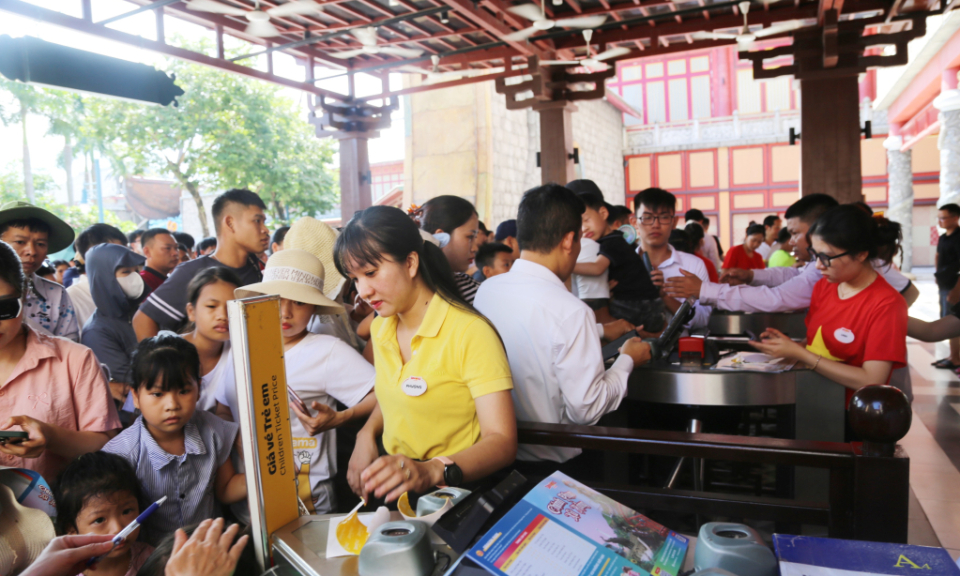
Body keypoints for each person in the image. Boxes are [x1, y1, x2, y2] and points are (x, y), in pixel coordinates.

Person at [334, 206, 517, 503]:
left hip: (454, 493)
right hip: (396, 489)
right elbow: (396, 393)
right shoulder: (382, 328)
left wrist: (431, 471)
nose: (363, 291)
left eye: (370, 272)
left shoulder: (470, 332)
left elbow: (503, 441)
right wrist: (366, 434)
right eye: (354, 278)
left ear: (410, 263)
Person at [475, 184, 650, 469]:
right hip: (556, 465)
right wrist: (628, 360)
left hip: (496, 457)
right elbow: (587, 408)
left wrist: (602, 330)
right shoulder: (571, 311)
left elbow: (533, 335)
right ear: (570, 241)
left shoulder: (488, 291)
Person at [219, 249, 376, 515]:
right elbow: (223, 408)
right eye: (277, 299)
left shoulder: (327, 351)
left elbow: (383, 393)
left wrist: (344, 418)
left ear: (314, 306)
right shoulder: (241, 345)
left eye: (299, 302)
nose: (286, 312)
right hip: (247, 502)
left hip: (306, 501)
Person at [749, 205, 907, 404]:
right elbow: (818, 343)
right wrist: (788, 348)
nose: (818, 265)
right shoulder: (825, 286)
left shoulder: (886, 304)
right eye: (815, 255)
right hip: (812, 398)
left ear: (861, 254)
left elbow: (872, 379)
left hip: (850, 412)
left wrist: (800, 354)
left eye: (826, 257)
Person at [102, 335, 245, 545]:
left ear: (198, 389)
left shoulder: (213, 430)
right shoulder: (121, 455)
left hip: (208, 546)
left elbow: (224, 490)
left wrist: (267, 475)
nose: (172, 404)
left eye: (184, 391)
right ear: (136, 395)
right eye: (158, 394)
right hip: (153, 557)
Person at [0, 241, 121, 483]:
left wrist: (50, 437)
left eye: (4, 307)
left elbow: (106, 443)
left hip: (59, 512)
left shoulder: (75, 360)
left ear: (24, 296)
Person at [134, 189, 268, 340]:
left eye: (264, 222)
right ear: (230, 223)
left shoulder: (254, 266)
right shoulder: (191, 272)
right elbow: (142, 320)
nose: (265, 230)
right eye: (257, 221)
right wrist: (161, 362)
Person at [572, 187, 665, 332]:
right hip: (646, 305)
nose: (583, 228)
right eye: (578, 225)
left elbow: (597, 268)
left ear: (603, 213)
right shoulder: (611, 240)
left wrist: (566, 265)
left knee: (599, 321)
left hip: (640, 305)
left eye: (586, 220)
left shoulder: (612, 242)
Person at [54, 451, 154, 576]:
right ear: (72, 529)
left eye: (126, 511)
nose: (117, 528)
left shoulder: (152, 560)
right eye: (99, 520)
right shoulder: (65, 571)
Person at [0, 201, 79, 341]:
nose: (32, 252)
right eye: (20, 242)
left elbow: (71, 348)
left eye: (40, 244)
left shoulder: (56, 294)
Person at [633, 187, 711, 329]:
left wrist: (664, 296)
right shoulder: (622, 264)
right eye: (647, 218)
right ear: (634, 222)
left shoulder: (692, 265)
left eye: (663, 217)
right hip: (628, 350)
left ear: (674, 222)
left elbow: (702, 319)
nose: (655, 225)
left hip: (678, 350)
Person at [81, 244, 147, 407]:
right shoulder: (96, 331)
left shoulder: (141, 314)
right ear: (105, 278)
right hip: (132, 416)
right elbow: (131, 379)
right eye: (126, 272)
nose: (135, 277)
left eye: (136, 271)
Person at [180, 268, 241, 412]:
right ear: (191, 312)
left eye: (231, 307)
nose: (222, 315)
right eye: (211, 306)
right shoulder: (165, 352)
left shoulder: (241, 354)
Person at [416, 196, 482, 304]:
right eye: (470, 237)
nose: (475, 248)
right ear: (440, 237)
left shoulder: (409, 292)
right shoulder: (475, 293)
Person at [68, 224, 129, 330]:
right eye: (112, 255)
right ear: (88, 259)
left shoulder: (129, 287)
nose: (122, 260)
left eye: (124, 253)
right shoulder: (71, 297)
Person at [932, 203, 960, 370]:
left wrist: (956, 289)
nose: (940, 221)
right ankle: (952, 355)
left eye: (943, 217)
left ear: (955, 217)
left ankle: (956, 358)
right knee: (946, 318)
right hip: (944, 283)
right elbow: (938, 255)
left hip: (955, 285)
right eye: (939, 218)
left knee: (953, 321)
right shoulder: (943, 237)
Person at [139, 229, 180, 294]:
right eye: (167, 248)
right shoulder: (142, 283)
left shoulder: (170, 279)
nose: (175, 253)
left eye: (176, 248)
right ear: (147, 251)